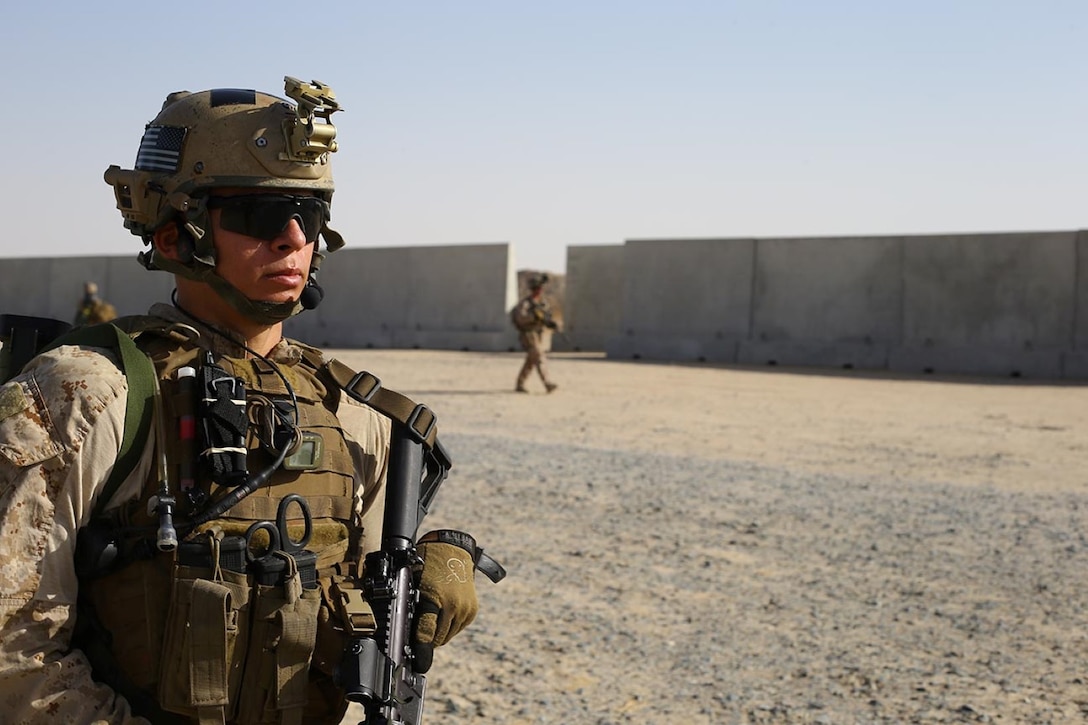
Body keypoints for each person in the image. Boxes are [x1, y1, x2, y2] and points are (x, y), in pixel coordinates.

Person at [0, 77, 482, 723]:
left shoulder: (356, 413)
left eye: (307, 215)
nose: (290, 238)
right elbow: (15, 642)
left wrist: (435, 562)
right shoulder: (86, 392)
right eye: (257, 215)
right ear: (175, 236)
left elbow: (359, 595)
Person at [510, 273, 559, 393]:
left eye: (540, 288)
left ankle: (520, 383)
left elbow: (545, 317)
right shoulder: (525, 303)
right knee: (539, 355)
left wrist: (550, 323)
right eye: (537, 288)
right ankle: (547, 383)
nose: (539, 290)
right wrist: (534, 317)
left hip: (538, 335)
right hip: (527, 334)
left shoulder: (543, 303)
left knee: (532, 360)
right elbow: (521, 318)